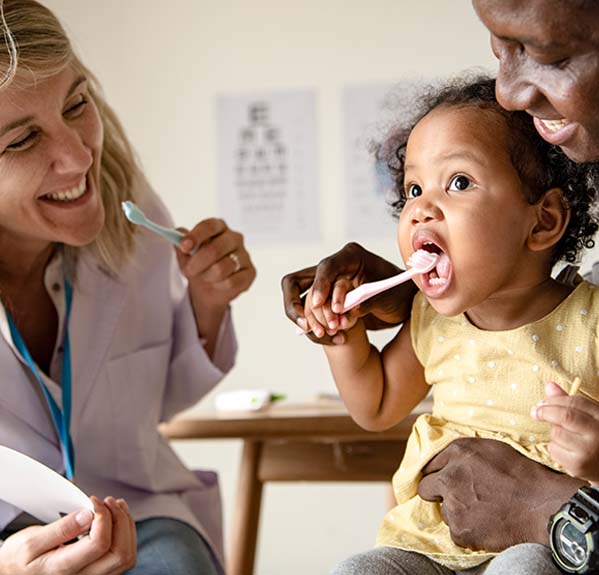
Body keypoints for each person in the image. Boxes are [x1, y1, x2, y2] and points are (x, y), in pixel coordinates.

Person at [282, 0, 599, 557]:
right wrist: (344, 339)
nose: (421, 210)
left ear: (542, 220)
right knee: (358, 567)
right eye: (412, 190)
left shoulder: (590, 322)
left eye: (457, 183)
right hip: (427, 545)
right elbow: (377, 406)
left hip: (544, 545)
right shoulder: (436, 321)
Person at [0, 1, 256, 574]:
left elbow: (155, 397)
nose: (77, 157)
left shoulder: (128, 211)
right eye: (21, 141)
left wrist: (206, 304)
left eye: (76, 104)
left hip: (137, 512)